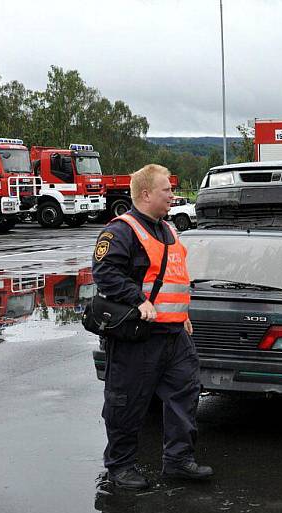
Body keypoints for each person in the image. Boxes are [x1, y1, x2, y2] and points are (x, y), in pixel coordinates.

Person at [92, 164, 213, 488]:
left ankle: (178, 462)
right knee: (126, 401)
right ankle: (120, 468)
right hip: (139, 336)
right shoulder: (122, 230)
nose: (173, 195)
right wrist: (136, 300)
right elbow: (105, 272)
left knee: (185, 394)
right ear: (146, 194)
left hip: (174, 333)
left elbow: (173, 278)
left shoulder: (169, 229)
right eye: (166, 190)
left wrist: (182, 314)